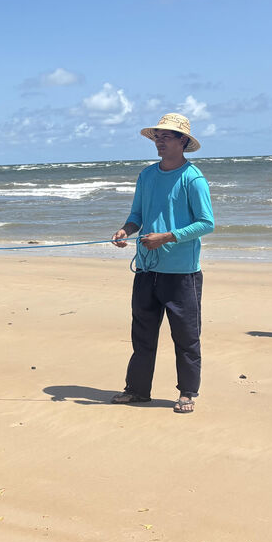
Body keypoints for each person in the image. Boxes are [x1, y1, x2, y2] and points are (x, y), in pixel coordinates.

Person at [110, 113, 214, 413]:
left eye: (167, 136)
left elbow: (207, 223)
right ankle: (137, 390)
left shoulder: (193, 178)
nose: (160, 140)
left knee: (186, 337)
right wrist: (124, 231)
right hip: (146, 269)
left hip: (182, 274)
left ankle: (187, 393)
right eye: (157, 135)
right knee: (142, 334)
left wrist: (167, 237)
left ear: (183, 141)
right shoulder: (146, 175)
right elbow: (137, 216)